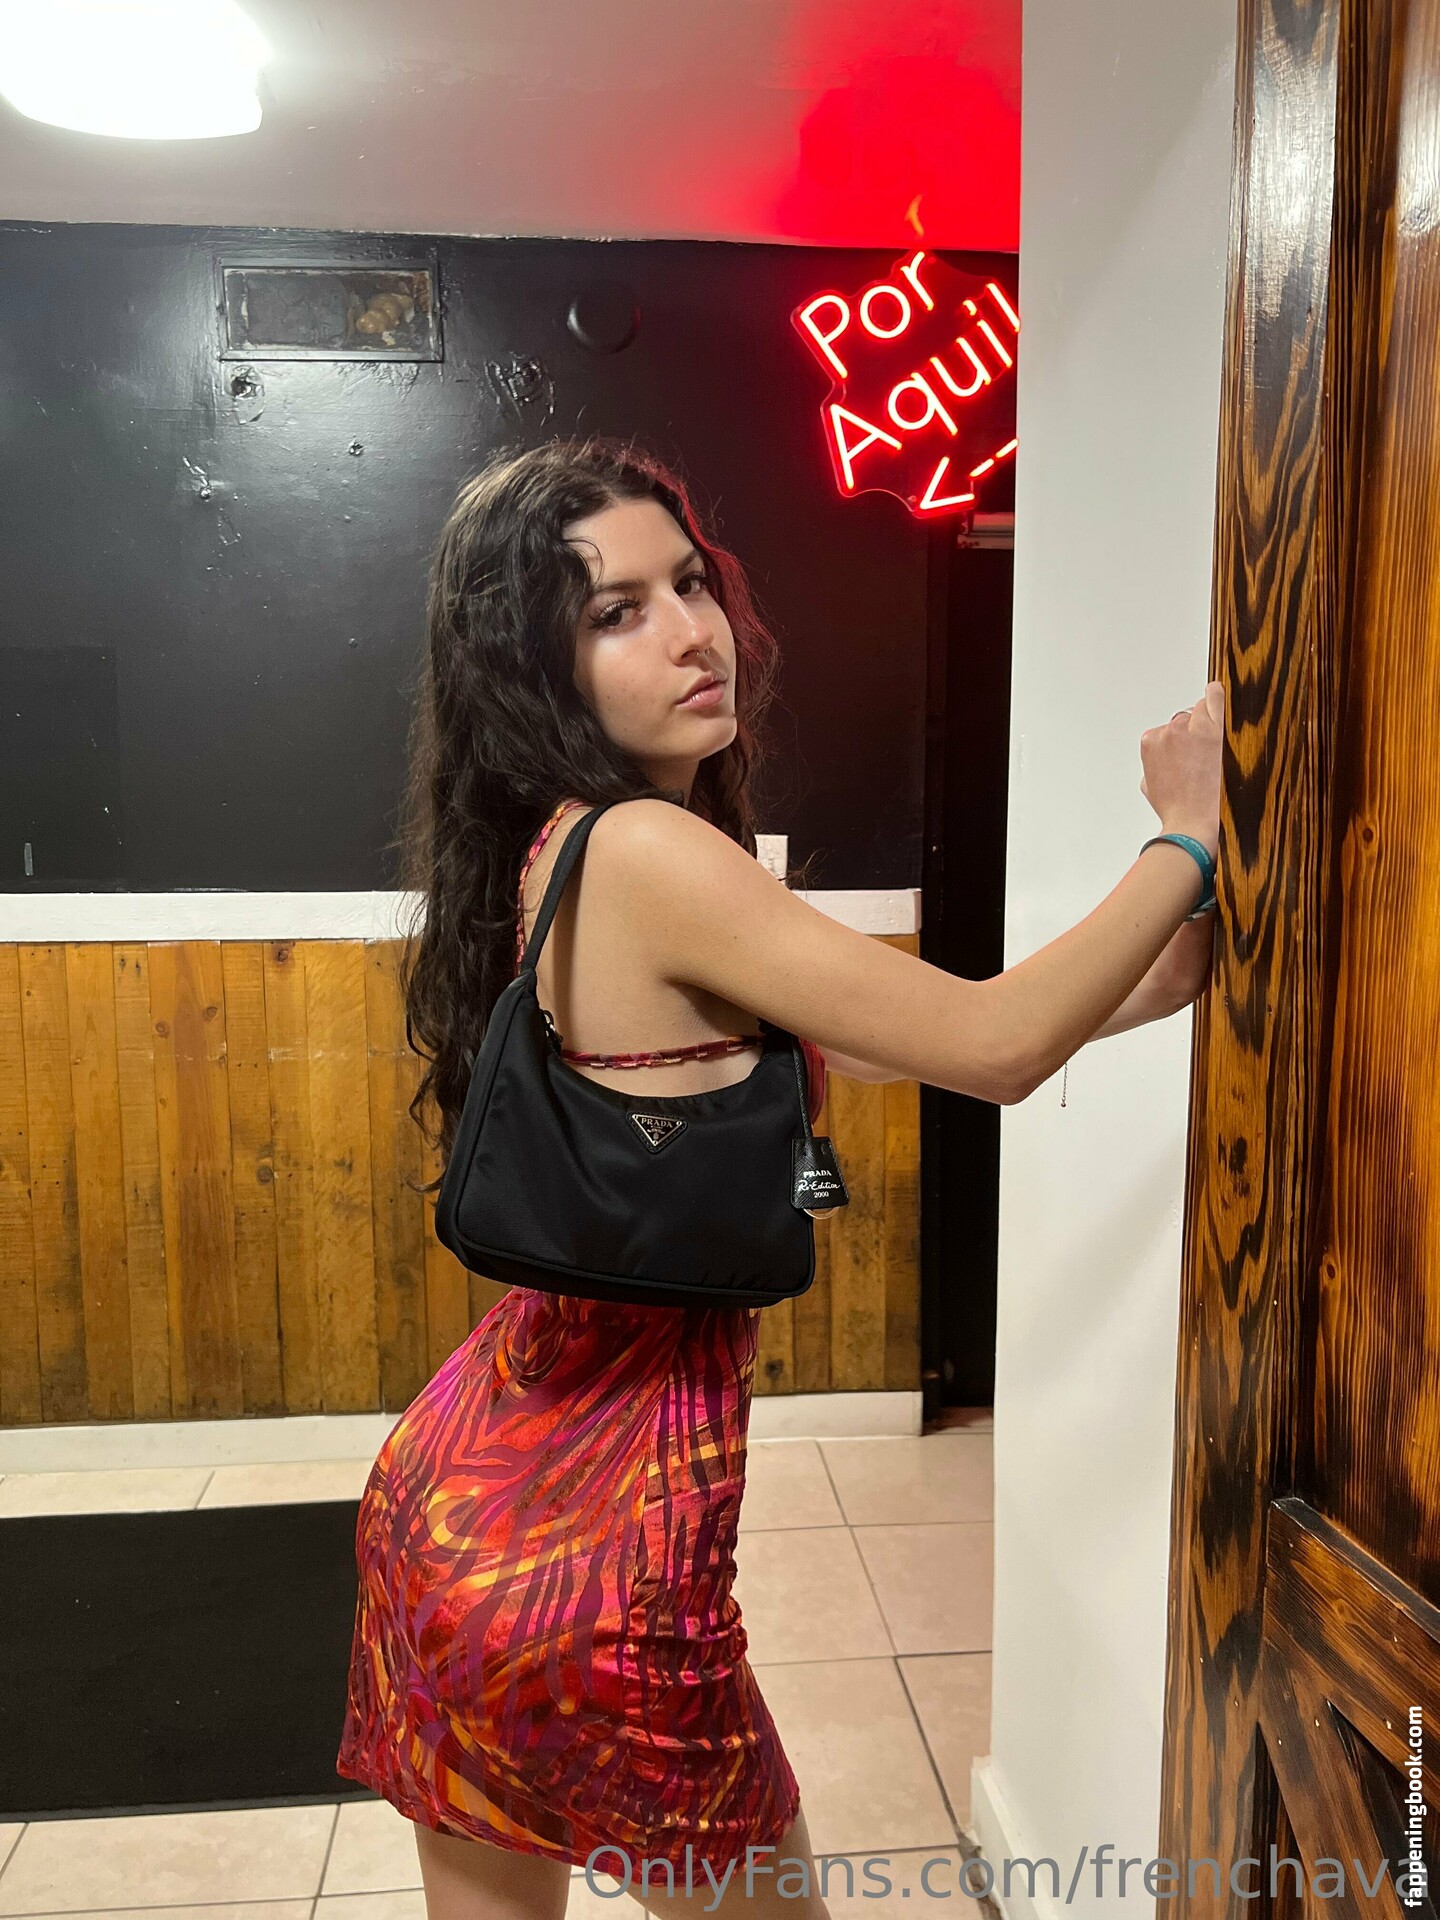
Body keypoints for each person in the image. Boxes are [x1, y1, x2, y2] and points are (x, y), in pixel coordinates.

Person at [335, 435, 1224, 1920]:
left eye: (691, 583)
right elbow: (998, 1049)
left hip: (462, 1512)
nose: (693, 633)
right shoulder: (645, 853)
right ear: (536, 672)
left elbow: (898, 1041)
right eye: (615, 612)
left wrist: (1161, 972)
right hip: (604, 1561)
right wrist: (1185, 834)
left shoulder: (565, 849)